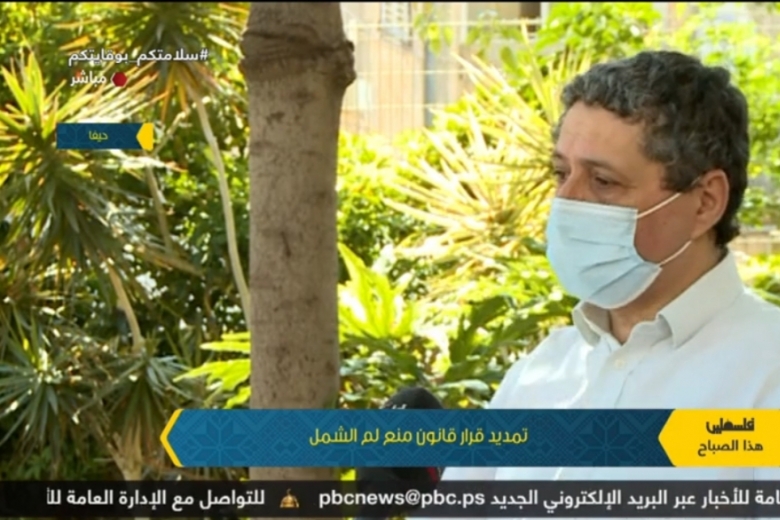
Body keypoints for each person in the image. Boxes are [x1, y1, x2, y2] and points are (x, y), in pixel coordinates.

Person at [440, 50, 780, 488]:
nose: (566, 202)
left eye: (603, 182)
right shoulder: (540, 372)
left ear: (705, 202)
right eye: (561, 173)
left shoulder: (765, 374)